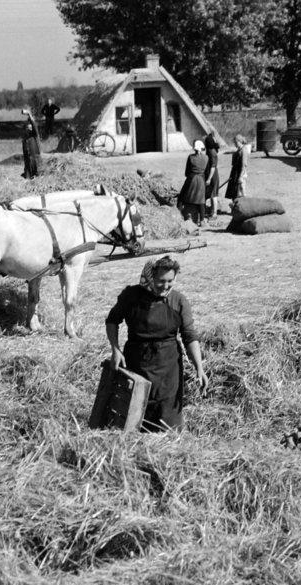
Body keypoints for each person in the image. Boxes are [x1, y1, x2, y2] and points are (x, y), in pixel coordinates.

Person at [104, 255, 207, 433]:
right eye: (161, 281)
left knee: (167, 417)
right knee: (133, 410)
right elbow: (112, 321)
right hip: (136, 362)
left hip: (168, 366)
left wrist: (199, 367)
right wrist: (116, 349)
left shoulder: (178, 301)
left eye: (170, 281)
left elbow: (189, 335)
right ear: (150, 276)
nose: (165, 286)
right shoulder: (131, 296)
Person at [179, 140, 209, 224]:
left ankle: (178, 215)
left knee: (181, 197)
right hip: (201, 179)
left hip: (191, 178)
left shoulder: (191, 157)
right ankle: (202, 220)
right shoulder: (206, 158)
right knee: (201, 200)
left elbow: (186, 172)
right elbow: (207, 172)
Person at [226, 133, 249, 203]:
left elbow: (244, 165)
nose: (235, 144)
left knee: (239, 191)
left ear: (239, 141)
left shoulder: (243, 150)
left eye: (236, 142)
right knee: (234, 191)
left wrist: (240, 176)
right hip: (235, 173)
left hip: (240, 173)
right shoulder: (238, 150)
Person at [203, 128, 222, 210]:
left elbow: (213, 167)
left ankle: (214, 213)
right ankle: (212, 210)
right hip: (211, 174)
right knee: (211, 194)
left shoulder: (211, 153)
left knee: (213, 195)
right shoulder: (211, 151)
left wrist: (209, 179)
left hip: (213, 175)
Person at [21, 111, 42, 180]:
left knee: (38, 177)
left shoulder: (35, 135)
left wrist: (29, 114)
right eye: (28, 127)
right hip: (28, 160)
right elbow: (24, 154)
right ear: (25, 129)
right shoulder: (24, 139)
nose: (29, 129)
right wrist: (25, 166)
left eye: (31, 127)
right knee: (28, 179)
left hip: (36, 158)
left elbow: (35, 126)